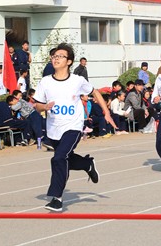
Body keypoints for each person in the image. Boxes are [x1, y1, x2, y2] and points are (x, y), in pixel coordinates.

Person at [33, 43, 116, 212]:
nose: (56, 59)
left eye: (60, 56)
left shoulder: (77, 81)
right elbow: (37, 106)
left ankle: (57, 198)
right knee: (65, 158)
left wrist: (106, 112)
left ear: (69, 61)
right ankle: (87, 164)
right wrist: (45, 107)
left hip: (73, 127)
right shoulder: (46, 82)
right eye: (54, 56)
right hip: (54, 128)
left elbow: (95, 92)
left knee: (58, 158)